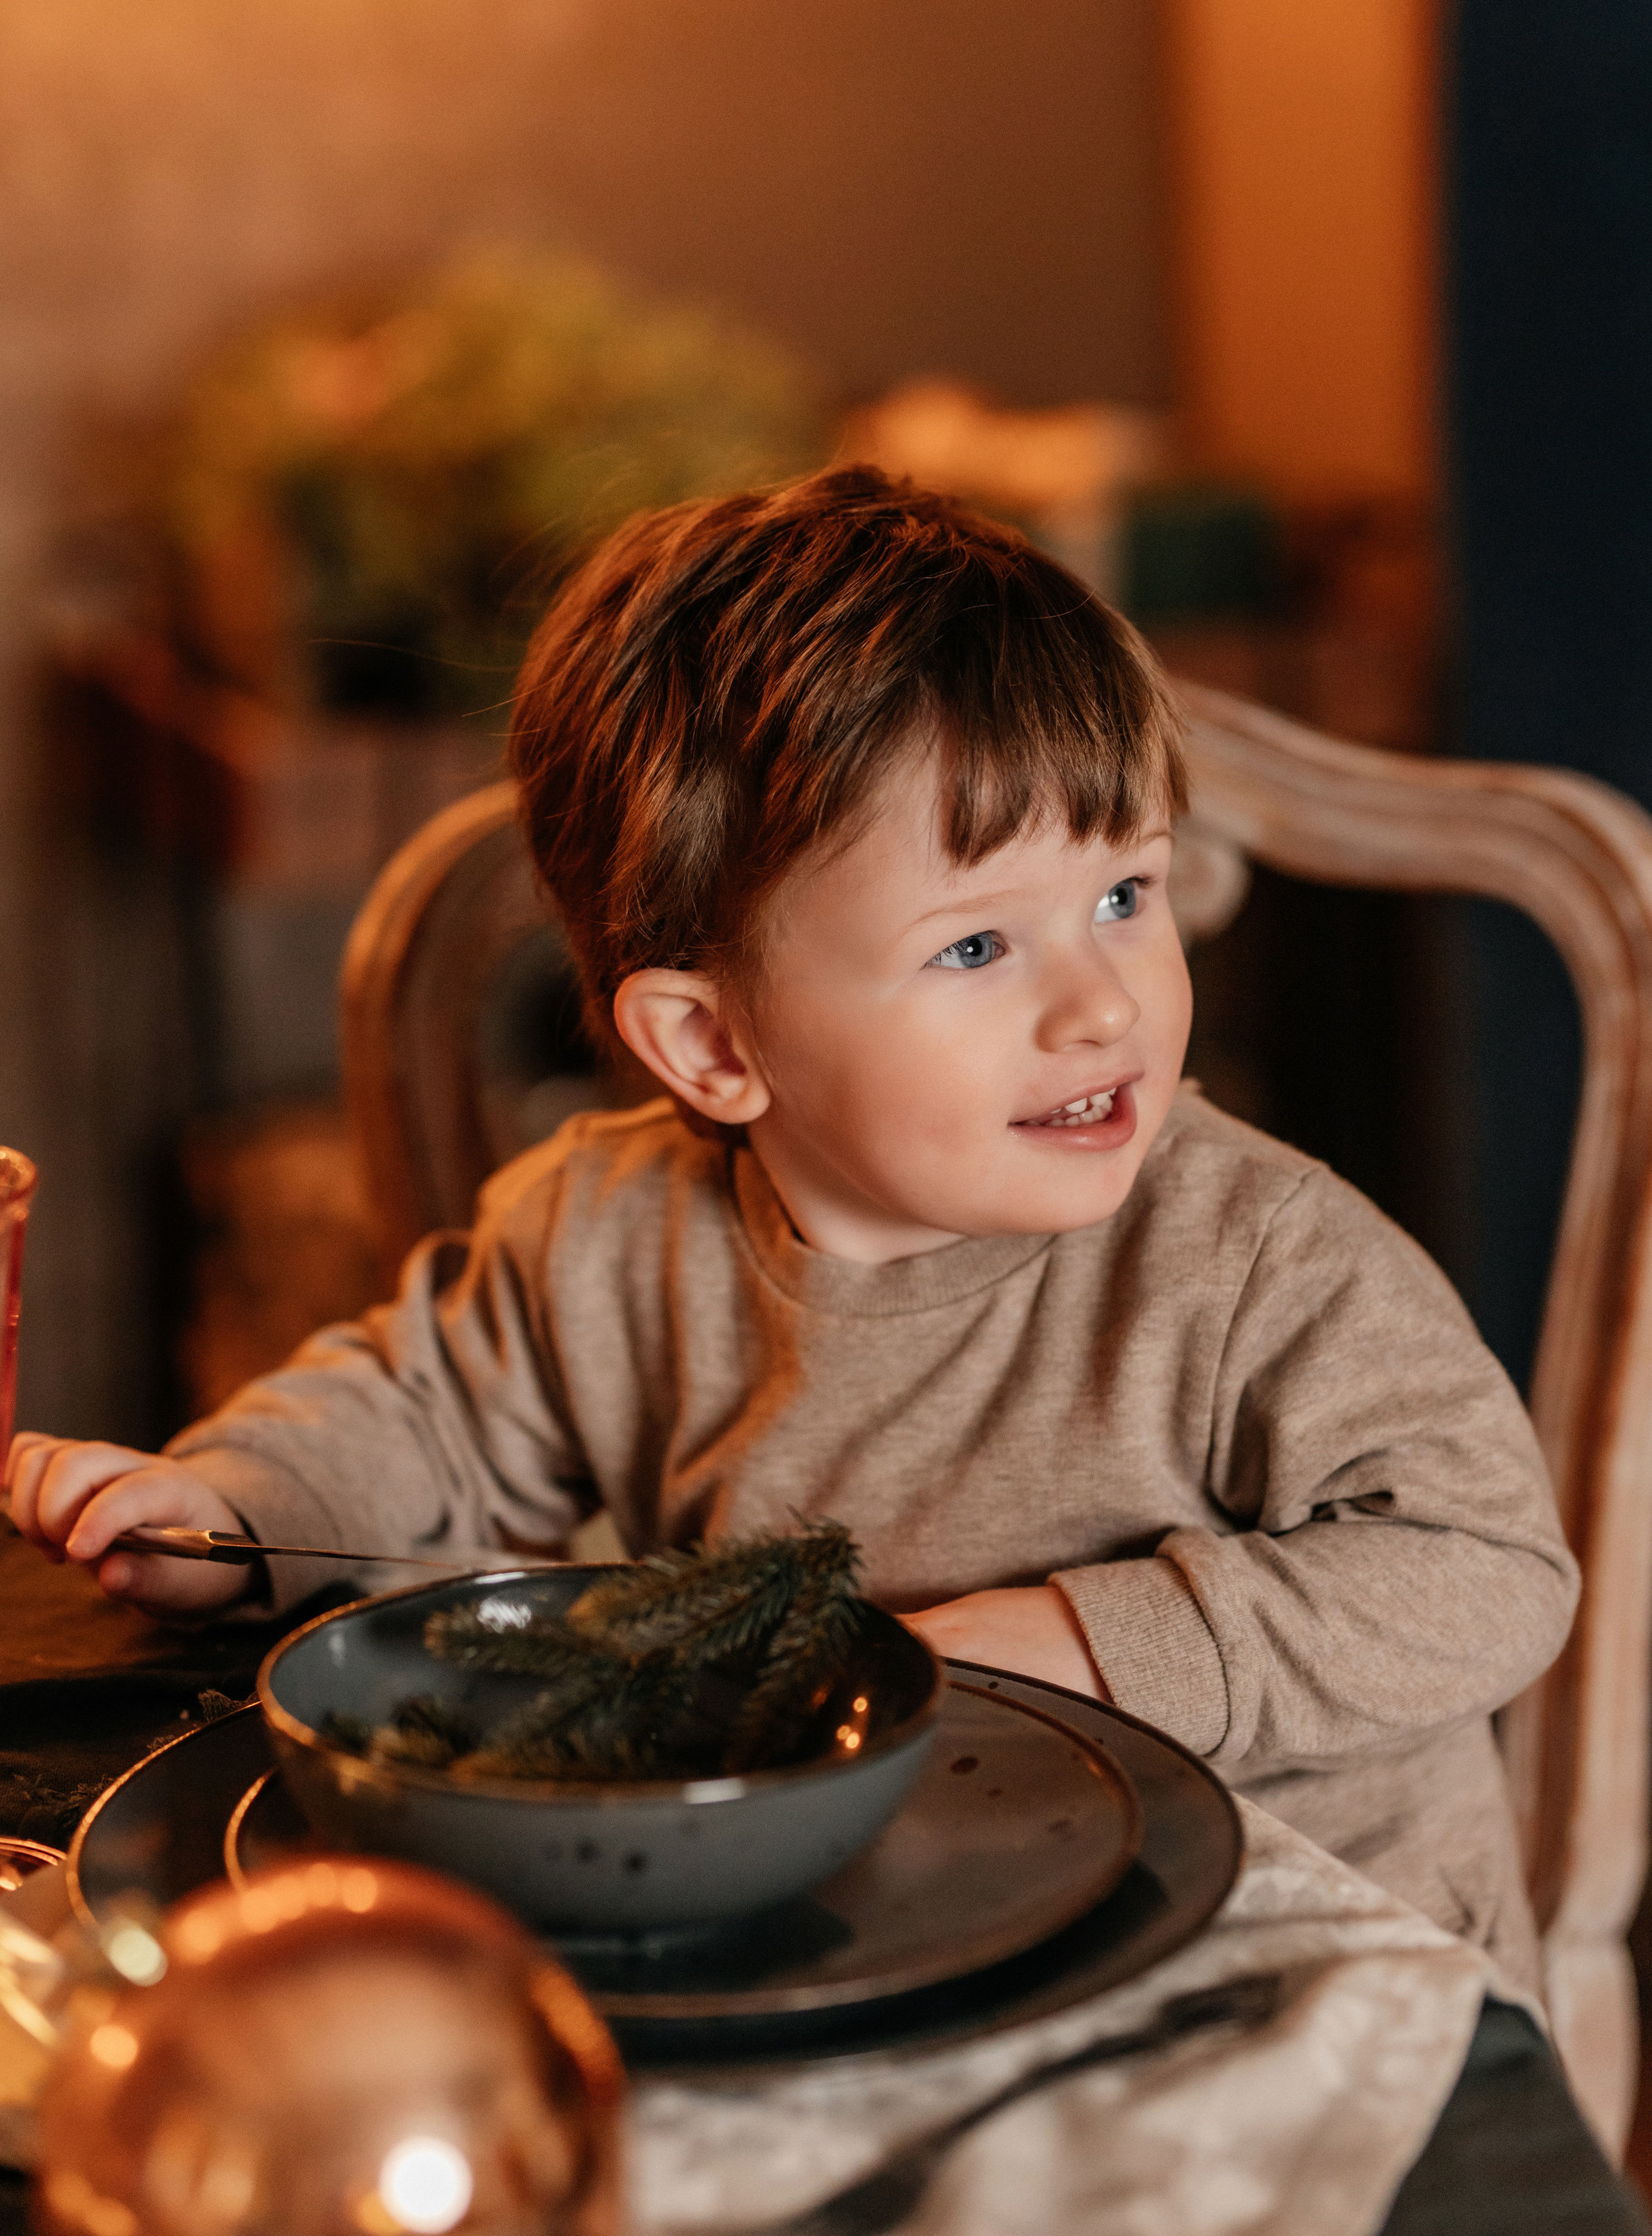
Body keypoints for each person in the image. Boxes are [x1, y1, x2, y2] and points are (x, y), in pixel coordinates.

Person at [5, 466, 1577, 1988]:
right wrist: (225, 1510)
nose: (1100, 1004)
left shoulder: (1255, 1260)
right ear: (711, 1049)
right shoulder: (605, 1236)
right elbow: (414, 1410)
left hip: (1289, 1965)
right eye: (974, 945)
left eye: (1122, 894)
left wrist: (1085, 1645)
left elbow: (1489, 1569)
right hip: (885, 1942)